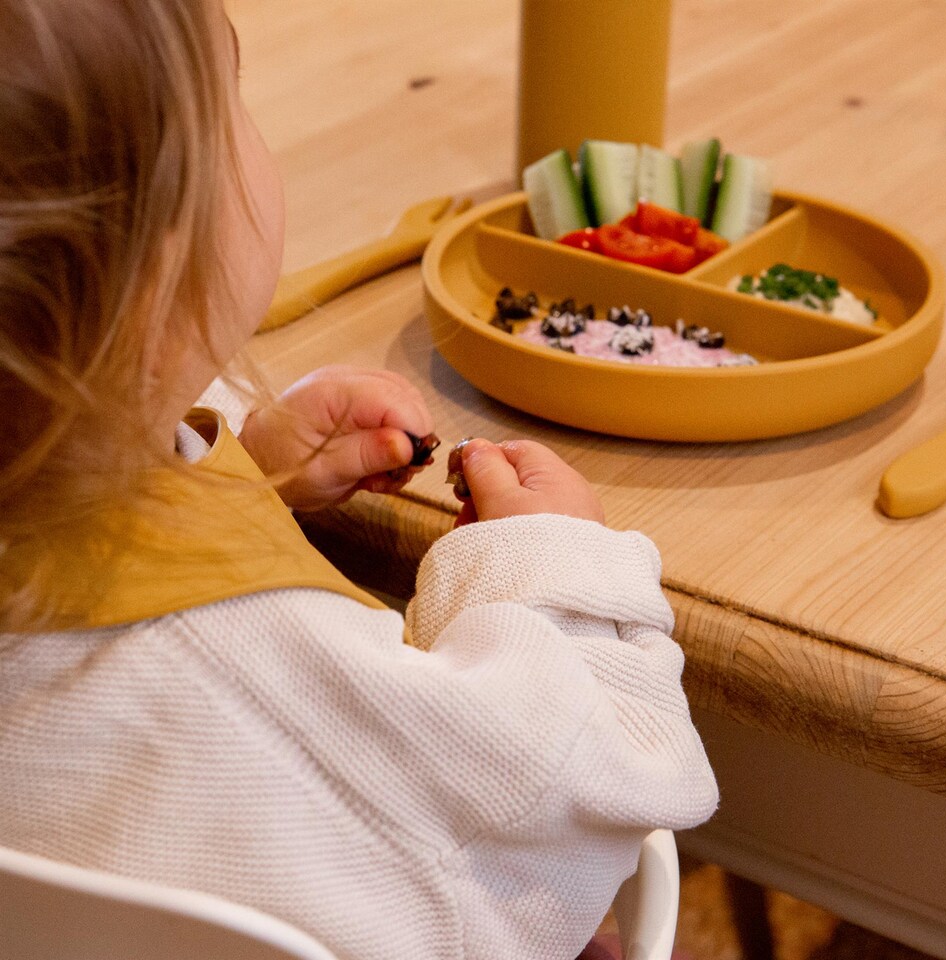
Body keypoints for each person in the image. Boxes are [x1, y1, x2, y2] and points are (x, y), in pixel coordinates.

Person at [0, 1, 718, 958]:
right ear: (155, 268)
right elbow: (574, 798)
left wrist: (242, 482)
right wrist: (547, 563)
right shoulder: (252, 684)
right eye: (231, 99)